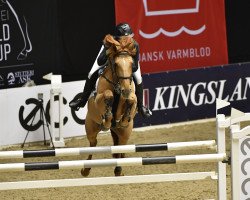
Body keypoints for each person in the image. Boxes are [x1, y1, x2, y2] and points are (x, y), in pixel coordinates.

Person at [69, 23, 152, 118]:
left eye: (129, 37)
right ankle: (81, 101)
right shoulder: (110, 42)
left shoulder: (135, 45)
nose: (128, 39)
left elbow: (135, 67)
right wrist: (109, 51)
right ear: (117, 38)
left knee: (138, 78)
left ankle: (141, 107)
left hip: (128, 64)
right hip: (109, 60)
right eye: (124, 38)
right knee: (92, 73)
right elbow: (100, 61)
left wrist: (125, 67)